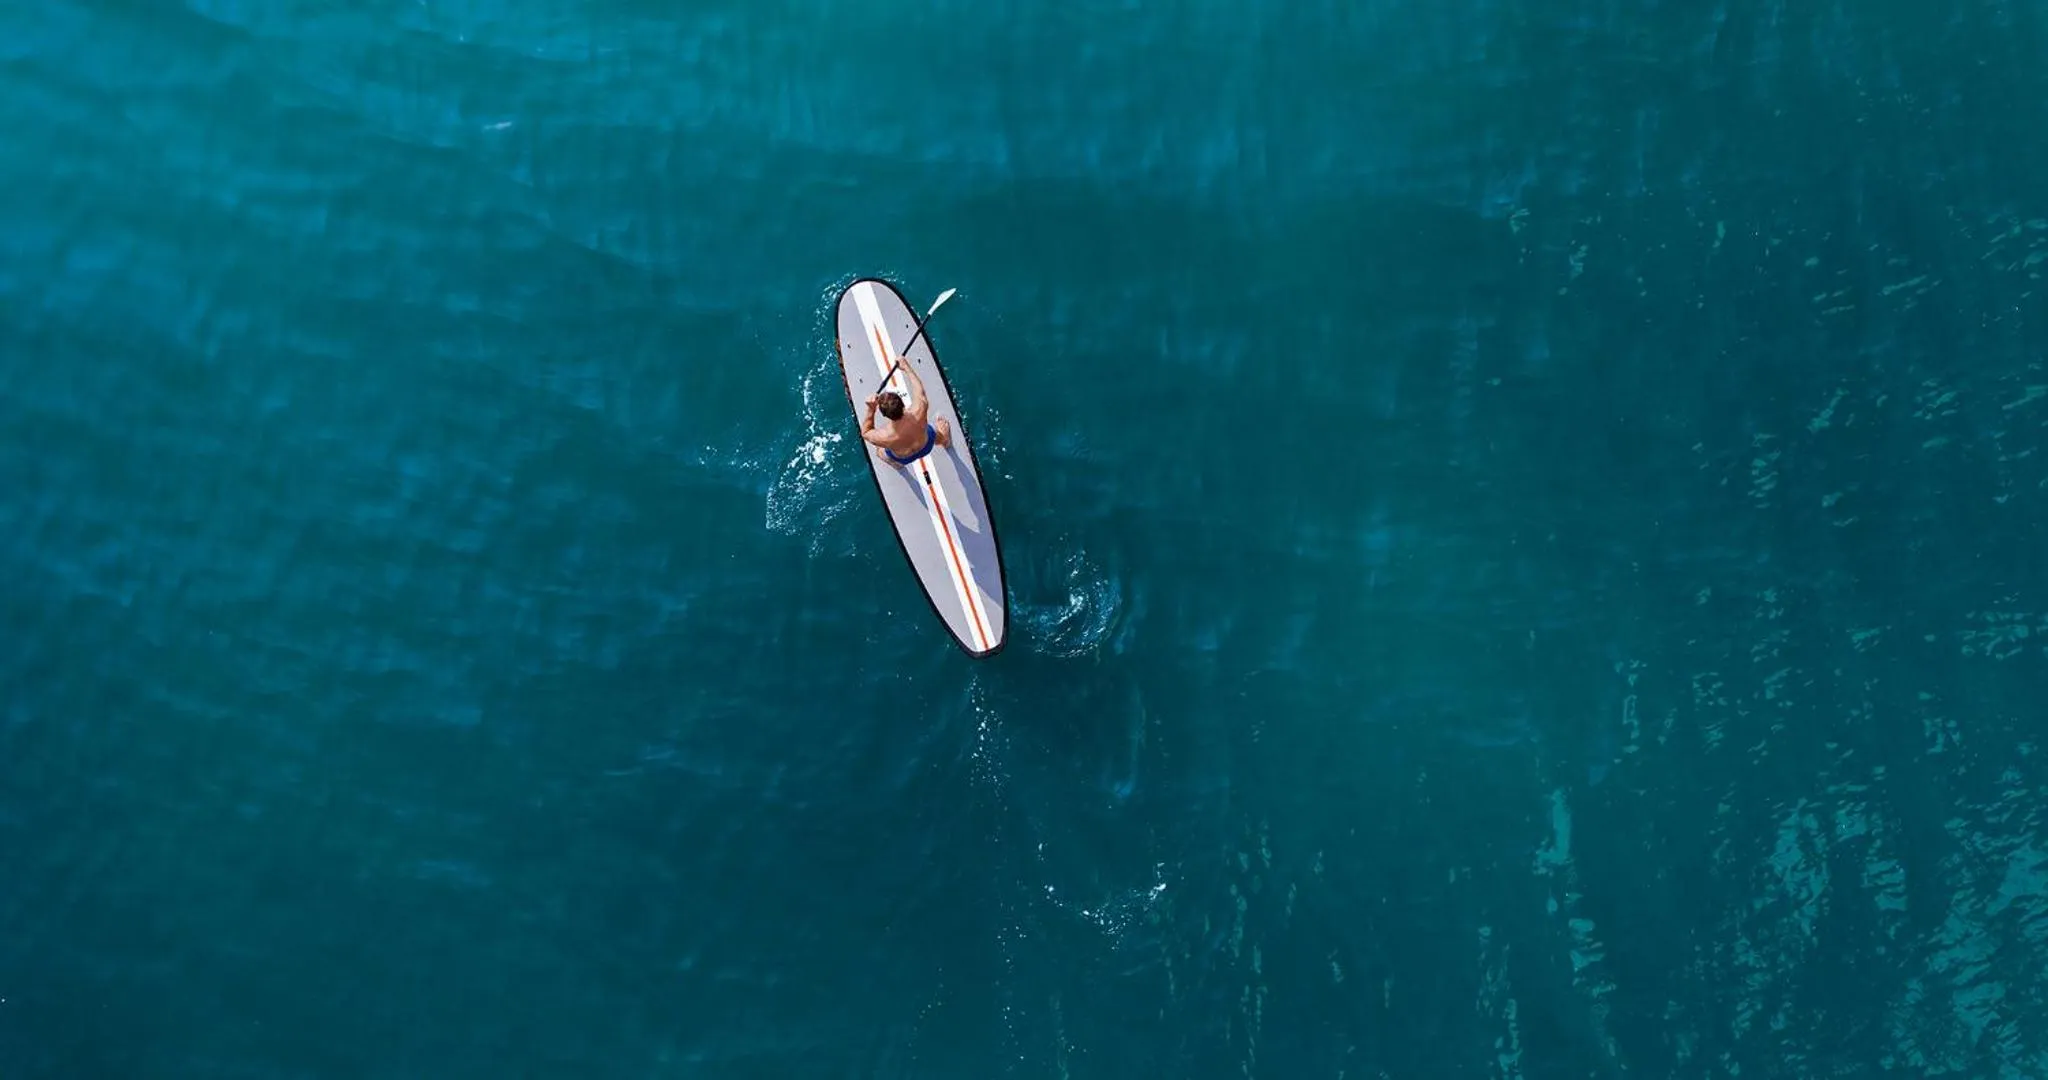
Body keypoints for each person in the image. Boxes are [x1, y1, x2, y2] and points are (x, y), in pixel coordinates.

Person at [861, 358, 951, 467]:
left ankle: (897, 465)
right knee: (934, 432)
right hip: (926, 445)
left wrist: (871, 409)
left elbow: (866, 433)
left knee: (880, 453)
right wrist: (906, 367)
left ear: (884, 415)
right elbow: (920, 391)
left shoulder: (884, 436)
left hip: (903, 458)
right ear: (902, 403)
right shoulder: (919, 411)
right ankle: (945, 441)